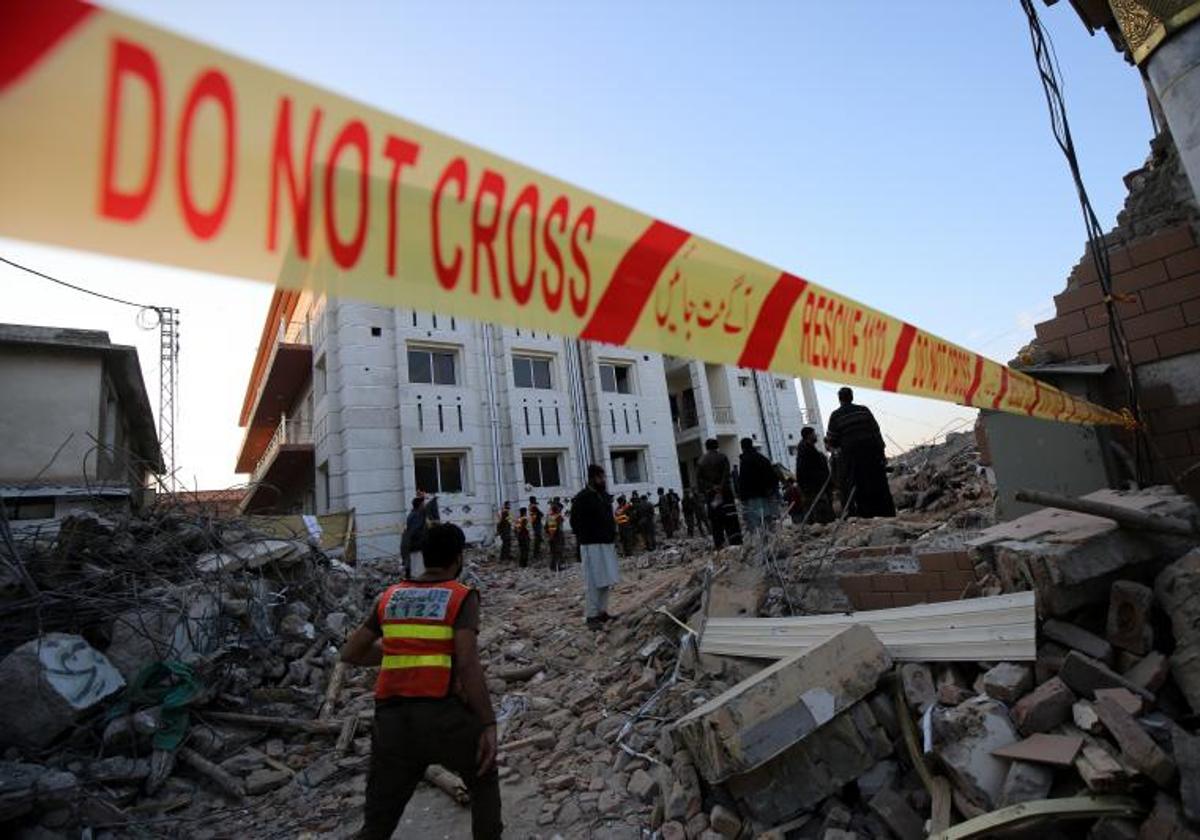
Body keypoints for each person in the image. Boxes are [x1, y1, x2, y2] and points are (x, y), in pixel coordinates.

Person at [340, 523, 502, 840]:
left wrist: (400, 645)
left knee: (378, 823)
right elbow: (468, 664)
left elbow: (352, 652)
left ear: (423, 558)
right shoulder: (460, 597)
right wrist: (488, 723)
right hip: (444, 717)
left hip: (392, 724)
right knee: (483, 775)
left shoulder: (390, 597)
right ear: (458, 559)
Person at [825, 387, 896, 518]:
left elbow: (831, 440)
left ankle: (867, 516)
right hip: (873, 455)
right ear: (851, 397)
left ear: (840, 399)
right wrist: (881, 453)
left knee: (860, 488)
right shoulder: (864, 410)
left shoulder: (836, 416)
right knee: (879, 484)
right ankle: (887, 514)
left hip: (853, 459)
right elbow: (876, 431)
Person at [570, 465, 621, 629]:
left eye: (603, 477)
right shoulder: (582, 498)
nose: (603, 480)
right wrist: (586, 536)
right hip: (591, 545)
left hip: (606, 543)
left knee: (606, 579)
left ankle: (602, 612)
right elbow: (574, 523)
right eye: (600, 477)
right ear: (592, 478)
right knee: (593, 581)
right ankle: (592, 616)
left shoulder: (603, 496)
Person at [696, 438, 742, 549]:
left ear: (706, 447)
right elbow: (726, 474)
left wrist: (712, 487)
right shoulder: (723, 457)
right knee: (731, 519)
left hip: (711, 495)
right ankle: (735, 543)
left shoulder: (701, 461)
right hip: (725, 493)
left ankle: (719, 544)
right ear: (717, 446)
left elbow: (699, 480)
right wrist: (720, 486)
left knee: (715, 521)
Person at [736, 437, 780, 533]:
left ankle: (762, 542)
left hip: (751, 496)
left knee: (756, 522)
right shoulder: (761, 458)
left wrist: (741, 496)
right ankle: (771, 538)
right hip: (765, 494)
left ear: (742, 447)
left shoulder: (745, 460)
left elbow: (743, 480)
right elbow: (772, 475)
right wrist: (771, 490)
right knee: (767, 518)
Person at [795, 425, 836, 524]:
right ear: (809, 436)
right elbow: (809, 470)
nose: (816, 436)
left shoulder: (806, 449)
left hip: (813, 486)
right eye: (814, 434)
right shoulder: (807, 451)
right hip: (814, 486)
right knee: (819, 509)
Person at [400, 494, 429, 579]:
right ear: (420, 505)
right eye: (423, 504)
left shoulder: (414, 514)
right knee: (417, 572)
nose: (425, 505)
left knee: (413, 569)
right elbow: (415, 531)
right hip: (416, 547)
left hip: (413, 546)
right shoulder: (416, 516)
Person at [546, 500, 566, 572]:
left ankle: (553, 566)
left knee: (554, 552)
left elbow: (546, 527)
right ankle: (557, 566)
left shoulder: (550, 516)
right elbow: (559, 525)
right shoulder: (557, 517)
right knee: (558, 551)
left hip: (552, 536)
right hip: (557, 536)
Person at [528, 496, 544, 564]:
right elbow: (540, 514)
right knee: (538, 537)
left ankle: (537, 552)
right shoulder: (533, 507)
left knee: (538, 537)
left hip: (535, 523)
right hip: (536, 523)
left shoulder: (531, 506)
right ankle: (536, 553)